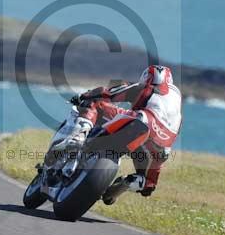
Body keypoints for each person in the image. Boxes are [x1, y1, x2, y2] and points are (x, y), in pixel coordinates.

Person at [69, 65, 182, 203]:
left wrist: (84, 95)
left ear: (147, 77)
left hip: (141, 123)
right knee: (148, 185)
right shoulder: (176, 102)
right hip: (163, 146)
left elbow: (108, 93)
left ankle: (78, 138)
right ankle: (131, 183)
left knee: (96, 104)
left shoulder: (145, 87)